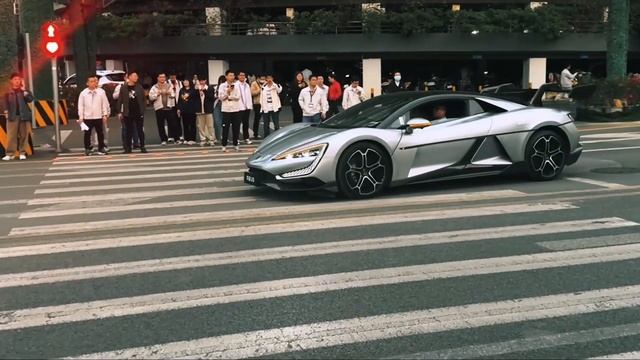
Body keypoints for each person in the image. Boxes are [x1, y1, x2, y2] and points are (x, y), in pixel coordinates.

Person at [1, 73, 34, 161]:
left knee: (23, 135)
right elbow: (4, 102)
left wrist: (24, 91)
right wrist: (5, 110)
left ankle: (22, 152)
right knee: (11, 135)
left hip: (23, 116)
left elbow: (30, 99)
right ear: (11, 81)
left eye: (19, 79)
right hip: (12, 116)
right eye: (15, 79)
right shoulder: (8, 91)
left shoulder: (24, 90)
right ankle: (9, 153)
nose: (17, 81)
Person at [77, 75, 110, 156]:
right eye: (91, 81)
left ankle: (101, 148)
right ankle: (87, 148)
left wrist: (105, 115)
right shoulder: (83, 93)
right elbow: (80, 106)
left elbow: (104, 104)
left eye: (94, 81)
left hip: (98, 116)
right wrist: (81, 117)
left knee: (100, 133)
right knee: (87, 133)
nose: (93, 83)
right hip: (87, 117)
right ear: (87, 83)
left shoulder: (101, 92)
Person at [116, 71, 147, 153]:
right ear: (129, 77)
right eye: (134, 76)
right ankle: (128, 148)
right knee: (128, 131)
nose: (136, 77)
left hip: (138, 112)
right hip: (127, 113)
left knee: (140, 130)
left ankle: (142, 146)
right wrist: (119, 111)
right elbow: (120, 100)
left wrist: (143, 110)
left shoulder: (139, 87)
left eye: (137, 76)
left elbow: (144, 99)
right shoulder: (123, 88)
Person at [149, 73, 179, 145]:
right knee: (160, 125)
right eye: (161, 77)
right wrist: (157, 94)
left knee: (173, 124)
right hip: (159, 108)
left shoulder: (169, 86)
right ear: (158, 78)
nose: (162, 78)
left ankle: (176, 138)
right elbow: (151, 97)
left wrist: (170, 94)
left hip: (169, 107)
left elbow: (173, 95)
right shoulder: (154, 87)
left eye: (163, 77)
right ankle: (163, 139)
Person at [112, 79, 140, 150]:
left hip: (133, 110)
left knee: (135, 127)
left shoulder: (135, 87)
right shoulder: (120, 86)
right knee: (125, 128)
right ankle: (126, 145)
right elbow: (114, 96)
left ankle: (136, 143)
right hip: (124, 111)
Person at [218, 69, 242, 152]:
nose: (232, 77)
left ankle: (235, 144)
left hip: (236, 109)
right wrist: (227, 92)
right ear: (226, 76)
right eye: (230, 75)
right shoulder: (222, 86)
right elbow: (220, 97)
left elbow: (238, 96)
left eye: (233, 75)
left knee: (236, 128)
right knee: (225, 128)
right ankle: (224, 145)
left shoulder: (237, 85)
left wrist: (230, 97)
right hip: (226, 109)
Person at [177, 79, 198, 145]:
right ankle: (186, 138)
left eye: (187, 81)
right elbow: (179, 100)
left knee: (192, 124)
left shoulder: (193, 90)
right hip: (184, 110)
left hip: (192, 109)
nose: (185, 82)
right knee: (185, 125)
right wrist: (178, 108)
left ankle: (192, 139)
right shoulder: (181, 90)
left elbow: (194, 97)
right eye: (184, 81)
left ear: (190, 82)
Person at [195, 78, 216, 146]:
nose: (201, 82)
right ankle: (203, 139)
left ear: (205, 81)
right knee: (201, 126)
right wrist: (197, 90)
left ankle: (211, 139)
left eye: (203, 80)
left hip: (208, 110)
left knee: (210, 126)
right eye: (200, 80)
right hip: (199, 109)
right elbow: (192, 97)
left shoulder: (210, 88)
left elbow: (212, 98)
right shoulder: (196, 88)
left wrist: (204, 91)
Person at [236, 71, 253, 145]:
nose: (242, 76)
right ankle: (236, 139)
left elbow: (249, 96)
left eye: (243, 75)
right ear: (238, 76)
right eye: (241, 75)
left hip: (246, 107)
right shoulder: (236, 85)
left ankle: (246, 137)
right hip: (239, 107)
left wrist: (250, 105)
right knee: (237, 123)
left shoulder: (247, 85)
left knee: (246, 123)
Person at [168, 73, 184, 144]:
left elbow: (182, 92)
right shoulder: (167, 83)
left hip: (178, 103)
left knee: (178, 119)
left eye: (174, 76)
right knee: (171, 120)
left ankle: (180, 135)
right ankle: (170, 136)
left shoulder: (180, 83)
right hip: (170, 104)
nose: (173, 77)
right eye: (171, 76)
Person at [250, 75, 264, 139]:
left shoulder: (266, 83)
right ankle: (255, 133)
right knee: (257, 119)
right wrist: (260, 89)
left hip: (265, 103)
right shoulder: (254, 83)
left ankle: (266, 132)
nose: (263, 80)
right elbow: (252, 93)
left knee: (266, 118)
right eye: (261, 78)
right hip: (257, 103)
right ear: (258, 78)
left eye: (264, 78)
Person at [213, 75, 225, 143]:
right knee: (217, 121)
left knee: (224, 122)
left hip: (225, 106)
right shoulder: (215, 88)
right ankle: (218, 137)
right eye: (221, 81)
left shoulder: (227, 87)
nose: (222, 83)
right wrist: (217, 96)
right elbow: (213, 97)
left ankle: (224, 136)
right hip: (217, 105)